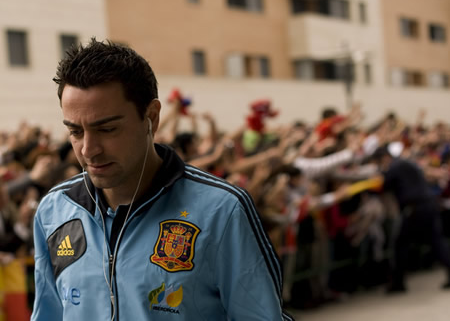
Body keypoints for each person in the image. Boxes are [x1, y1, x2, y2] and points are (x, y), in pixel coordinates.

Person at [31, 39, 293, 321]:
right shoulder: (53, 211)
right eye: (76, 132)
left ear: (152, 118)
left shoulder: (222, 210)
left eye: (107, 129)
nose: (88, 149)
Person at [372, 146, 450, 293]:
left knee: (400, 244)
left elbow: (384, 185)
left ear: (385, 158)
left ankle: (398, 283)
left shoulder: (394, 167)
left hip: (414, 209)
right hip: (428, 204)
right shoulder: (408, 163)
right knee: (437, 240)